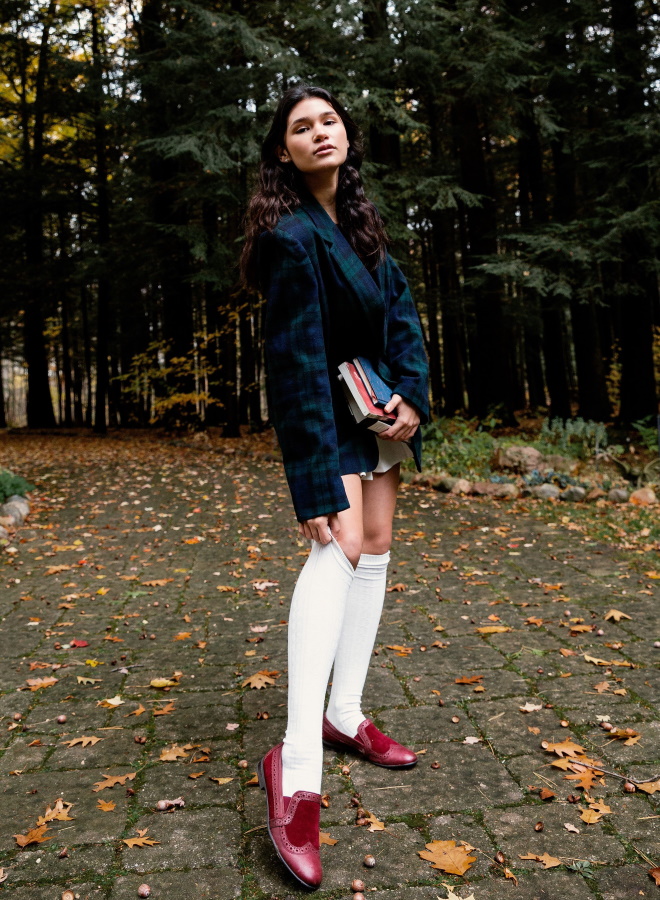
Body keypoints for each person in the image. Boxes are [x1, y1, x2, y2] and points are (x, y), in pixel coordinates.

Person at [240, 84, 429, 890]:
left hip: (375, 406)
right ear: (283, 151)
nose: (320, 133)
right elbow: (292, 364)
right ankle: (295, 768)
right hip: (325, 413)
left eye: (329, 120)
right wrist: (314, 477)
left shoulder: (362, 223)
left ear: (346, 134)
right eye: (300, 127)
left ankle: (344, 713)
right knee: (339, 544)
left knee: (376, 544)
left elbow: (403, 316)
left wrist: (410, 396)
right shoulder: (289, 237)